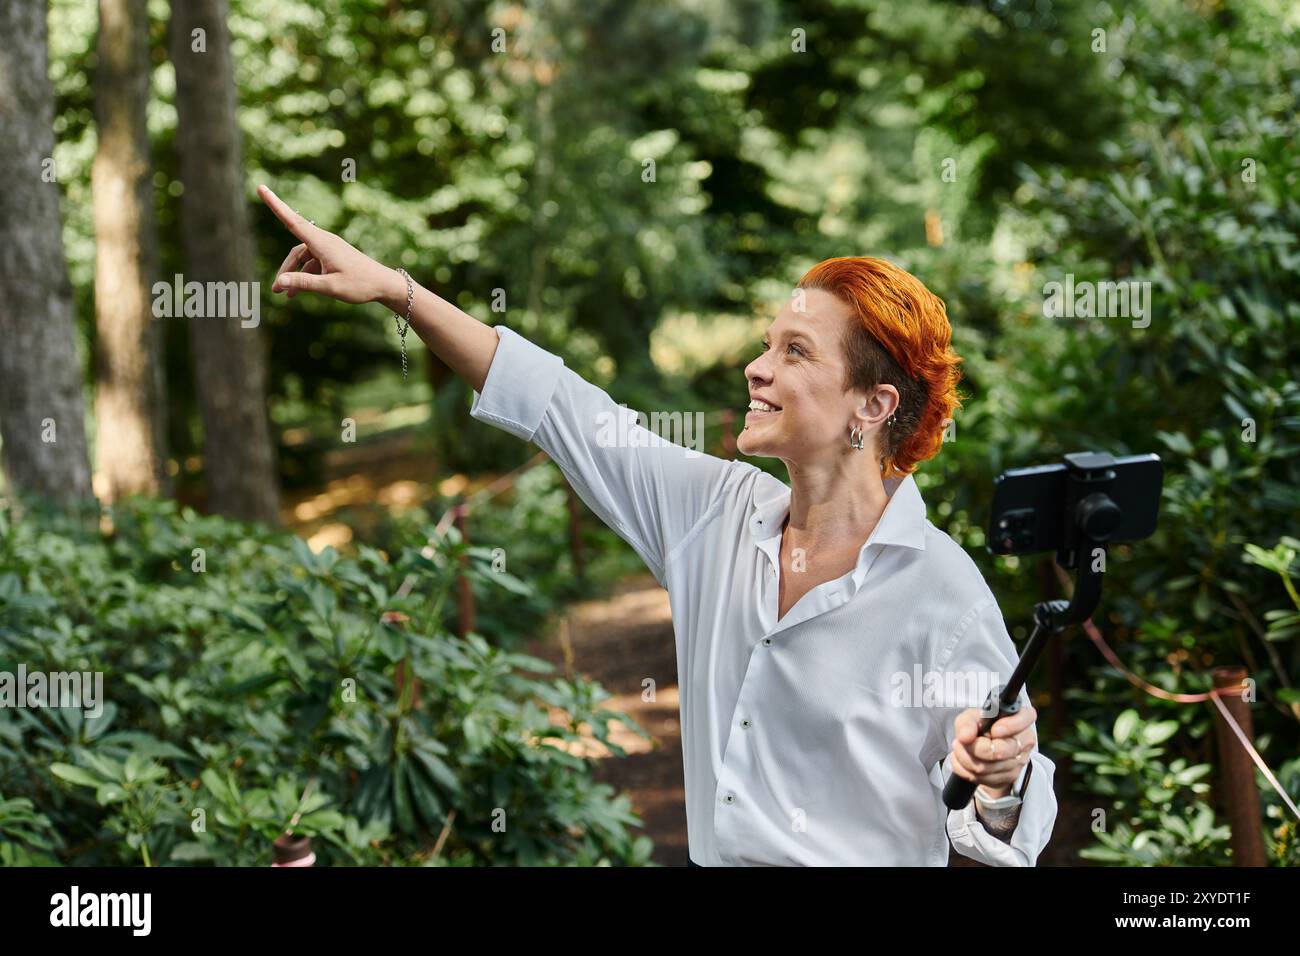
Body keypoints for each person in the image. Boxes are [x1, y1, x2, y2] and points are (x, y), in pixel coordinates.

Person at [258, 184, 1058, 866]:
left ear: (872, 406)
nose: (758, 366)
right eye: (765, 344)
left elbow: (1007, 825)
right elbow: (559, 406)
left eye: (795, 352)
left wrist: (999, 778)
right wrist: (398, 291)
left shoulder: (940, 591)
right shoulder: (711, 511)